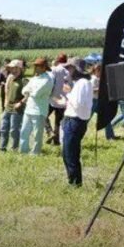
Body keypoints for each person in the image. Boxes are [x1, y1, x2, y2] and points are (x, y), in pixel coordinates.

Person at [61, 58, 92, 186]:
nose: (68, 71)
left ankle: (75, 182)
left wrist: (68, 93)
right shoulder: (82, 83)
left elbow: (78, 104)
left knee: (70, 154)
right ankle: (73, 180)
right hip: (74, 120)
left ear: (76, 69)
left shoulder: (82, 83)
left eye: (70, 68)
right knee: (68, 153)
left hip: (75, 121)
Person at [19, 57, 55, 155]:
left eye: (38, 66)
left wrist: (29, 91)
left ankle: (35, 152)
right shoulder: (34, 78)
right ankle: (23, 150)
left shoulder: (48, 79)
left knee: (37, 135)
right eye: (35, 65)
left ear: (44, 67)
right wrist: (29, 91)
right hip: (29, 109)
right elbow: (24, 90)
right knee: (24, 131)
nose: (36, 67)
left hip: (39, 110)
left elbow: (36, 93)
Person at [0, 60, 27, 152]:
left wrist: (21, 103)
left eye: (13, 67)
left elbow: (29, 95)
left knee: (14, 130)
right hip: (8, 107)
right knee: (3, 128)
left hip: (17, 108)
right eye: (10, 67)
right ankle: (2, 148)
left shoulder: (24, 80)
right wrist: (6, 101)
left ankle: (14, 148)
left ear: (18, 68)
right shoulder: (10, 77)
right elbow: (7, 89)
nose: (10, 69)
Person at [47, 54, 70, 145]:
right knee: (58, 121)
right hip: (63, 100)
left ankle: (50, 132)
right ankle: (56, 141)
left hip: (53, 98)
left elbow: (51, 82)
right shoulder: (68, 71)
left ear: (58, 60)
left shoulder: (54, 70)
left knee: (44, 116)